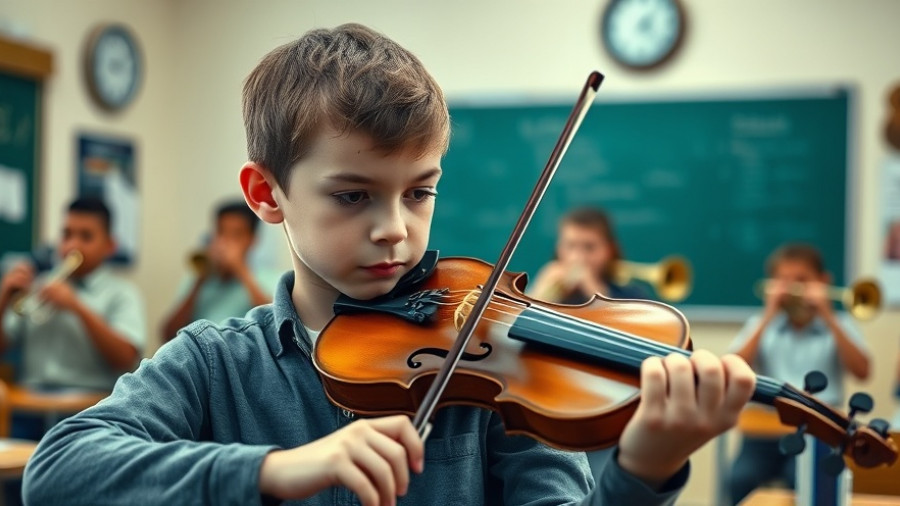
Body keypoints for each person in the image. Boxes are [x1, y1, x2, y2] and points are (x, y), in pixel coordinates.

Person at [23, 24, 755, 505]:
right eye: (352, 195)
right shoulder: (215, 364)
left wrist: (645, 469)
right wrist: (272, 470)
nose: (394, 230)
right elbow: (57, 471)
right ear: (267, 194)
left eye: (420, 191)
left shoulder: (490, 367)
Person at [727, 242, 870, 505]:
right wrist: (768, 314)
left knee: (808, 485)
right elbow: (733, 368)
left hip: (819, 432)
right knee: (739, 479)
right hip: (763, 433)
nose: (793, 289)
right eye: (783, 280)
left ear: (823, 282)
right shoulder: (760, 325)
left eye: (802, 280)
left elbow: (862, 371)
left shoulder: (840, 325)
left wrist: (828, 314)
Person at [0, 197, 145, 428]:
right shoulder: (40, 286)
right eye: (67, 234)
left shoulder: (122, 293)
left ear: (110, 245)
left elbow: (126, 357)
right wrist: (4, 297)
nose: (72, 245)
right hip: (28, 409)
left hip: (89, 412)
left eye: (86, 236)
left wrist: (76, 306)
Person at [161, 200, 277, 341]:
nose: (225, 242)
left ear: (252, 240)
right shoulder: (197, 279)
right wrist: (198, 282)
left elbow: (275, 325)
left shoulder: (271, 279)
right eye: (221, 232)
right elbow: (167, 335)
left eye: (236, 235)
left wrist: (241, 270)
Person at [529, 206, 647, 304]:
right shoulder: (549, 283)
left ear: (609, 250)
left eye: (589, 247)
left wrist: (595, 292)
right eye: (570, 245)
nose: (577, 257)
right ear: (558, 247)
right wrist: (538, 295)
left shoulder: (632, 296)